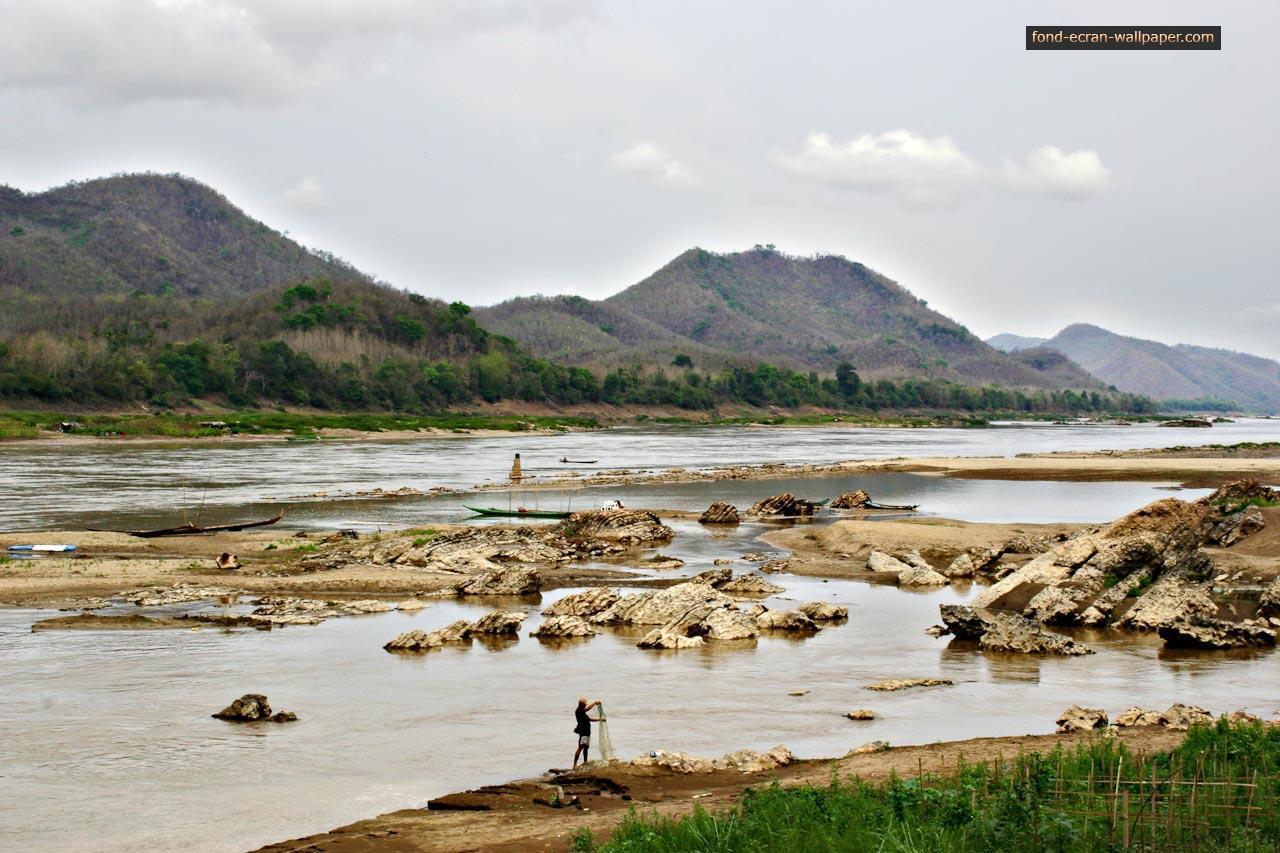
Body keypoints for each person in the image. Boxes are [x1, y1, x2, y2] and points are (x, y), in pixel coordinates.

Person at [573, 697, 603, 768]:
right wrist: (595, 702)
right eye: (584, 705)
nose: (585, 706)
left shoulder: (582, 711)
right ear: (580, 705)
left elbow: (589, 719)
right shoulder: (579, 711)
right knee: (580, 747)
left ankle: (585, 762)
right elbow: (588, 708)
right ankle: (574, 764)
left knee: (586, 747)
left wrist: (600, 719)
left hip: (587, 732)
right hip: (583, 732)